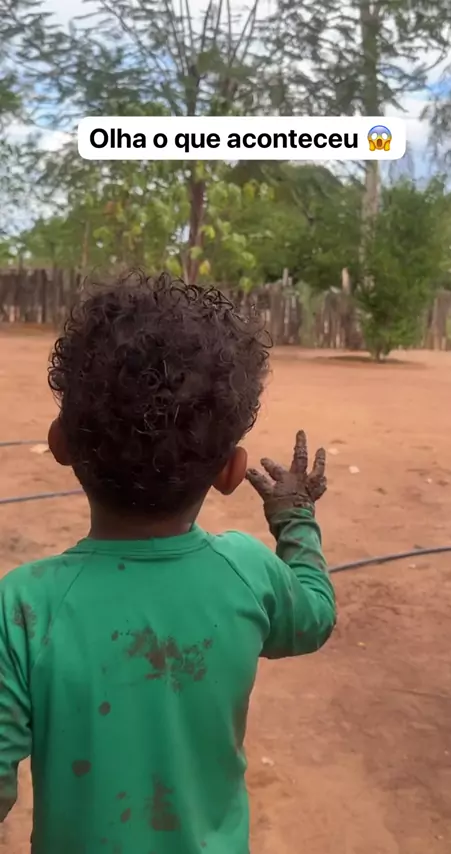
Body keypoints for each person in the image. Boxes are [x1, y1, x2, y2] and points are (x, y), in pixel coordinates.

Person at [0, 273, 336, 854]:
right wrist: (296, 519)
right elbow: (314, 617)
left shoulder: (24, 608)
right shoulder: (248, 571)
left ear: (60, 443)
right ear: (231, 472)